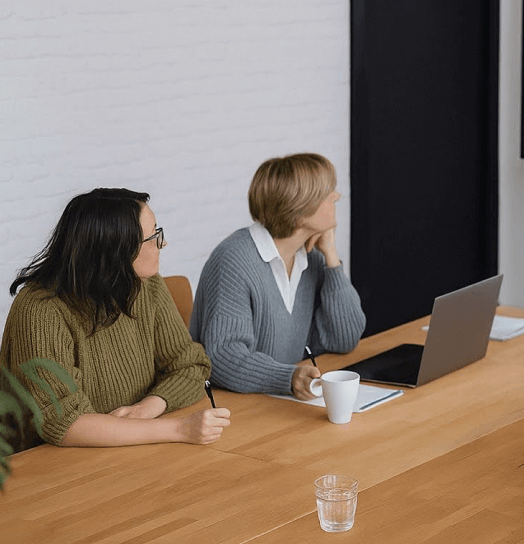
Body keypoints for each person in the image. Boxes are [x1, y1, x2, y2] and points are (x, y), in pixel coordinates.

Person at [0, 188, 230, 451]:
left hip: (129, 450)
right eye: (154, 236)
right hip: (47, 467)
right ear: (118, 251)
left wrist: (149, 406)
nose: (162, 243)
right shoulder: (40, 309)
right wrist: (179, 428)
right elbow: (64, 423)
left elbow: (191, 365)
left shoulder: (146, 284)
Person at [190, 153, 365, 400]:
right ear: (300, 210)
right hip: (235, 407)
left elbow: (344, 339)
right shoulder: (233, 261)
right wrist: (287, 378)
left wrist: (332, 258)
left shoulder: (311, 258)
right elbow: (222, 357)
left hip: (282, 403)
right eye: (328, 192)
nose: (336, 196)